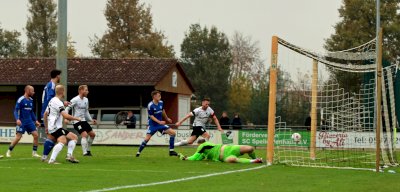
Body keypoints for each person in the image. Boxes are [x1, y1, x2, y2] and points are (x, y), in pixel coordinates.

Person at [44, 85, 81, 164]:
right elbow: (65, 116)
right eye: (64, 91)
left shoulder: (52, 100)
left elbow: (45, 114)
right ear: (61, 91)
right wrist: (76, 118)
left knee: (74, 137)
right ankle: (52, 160)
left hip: (52, 126)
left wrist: (46, 127)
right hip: (55, 126)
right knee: (62, 141)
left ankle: (69, 155)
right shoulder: (58, 102)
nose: (64, 93)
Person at [136, 90, 178, 157]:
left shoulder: (161, 102)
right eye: (159, 96)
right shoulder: (150, 105)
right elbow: (151, 116)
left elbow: (163, 110)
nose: (160, 97)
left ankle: (171, 151)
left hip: (160, 125)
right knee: (147, 139)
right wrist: (159, 122)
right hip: (153, 125)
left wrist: (167, 118)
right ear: (154, 96)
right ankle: (138, 153)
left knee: (173, 133)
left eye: (160, 95)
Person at [6, 85, 41, 158]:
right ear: (27, 91)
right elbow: (16, 110)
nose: (33, 92)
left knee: (36, 135)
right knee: (18, 137)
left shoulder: (31, 100)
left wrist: (35, 120)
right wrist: (17, 119)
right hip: (22, 122)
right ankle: (9, 151)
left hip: (30, 122)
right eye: (32, 91)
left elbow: (31, 112)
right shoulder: (21, 99)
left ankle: (34, 153)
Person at [41, 69, 66, 162]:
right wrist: (61, 104)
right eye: (60, 75)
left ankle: (45, 157)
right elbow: (50, 99)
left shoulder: (49, 84)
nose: (60, 77)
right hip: (49, 112)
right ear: (57, 76)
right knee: (52, 136)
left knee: (52, 136)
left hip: (48, 111)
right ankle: (46, 157)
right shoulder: (51, 85)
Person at [66, 85, 96, 156]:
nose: (87, 91)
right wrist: (67, 118)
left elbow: (86, 111)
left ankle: (88, 150)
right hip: (76, 121)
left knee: (92, 135)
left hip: (84, 121)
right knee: (84, 134)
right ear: (81, 91)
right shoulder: (75, 99)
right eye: (86, 90)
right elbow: (67, 109)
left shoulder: (86, 100)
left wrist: (91, 120)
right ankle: (84, 152)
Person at [178, 139, 263, 164]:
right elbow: (197, 158)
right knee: (233, 159)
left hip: (229, 149)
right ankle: (254, 160)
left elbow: (195, 156)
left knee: (250, 149)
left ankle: (256, 158)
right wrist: (187, 158)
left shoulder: (203, 146)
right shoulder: (204, 153)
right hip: (225, 155)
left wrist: (186, 158)